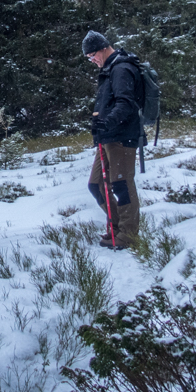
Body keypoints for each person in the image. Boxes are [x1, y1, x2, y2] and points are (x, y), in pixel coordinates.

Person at [82, 30, 142, 249]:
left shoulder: (121, 69)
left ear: (103, 48)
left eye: (92, 55)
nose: (92, 60)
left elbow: (126, 104)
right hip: (107, 137)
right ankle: (116, 227)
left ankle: (128, 234)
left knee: (121, 184)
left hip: (121, 137)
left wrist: (107, 122)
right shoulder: (110, 69)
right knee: (96, 184)